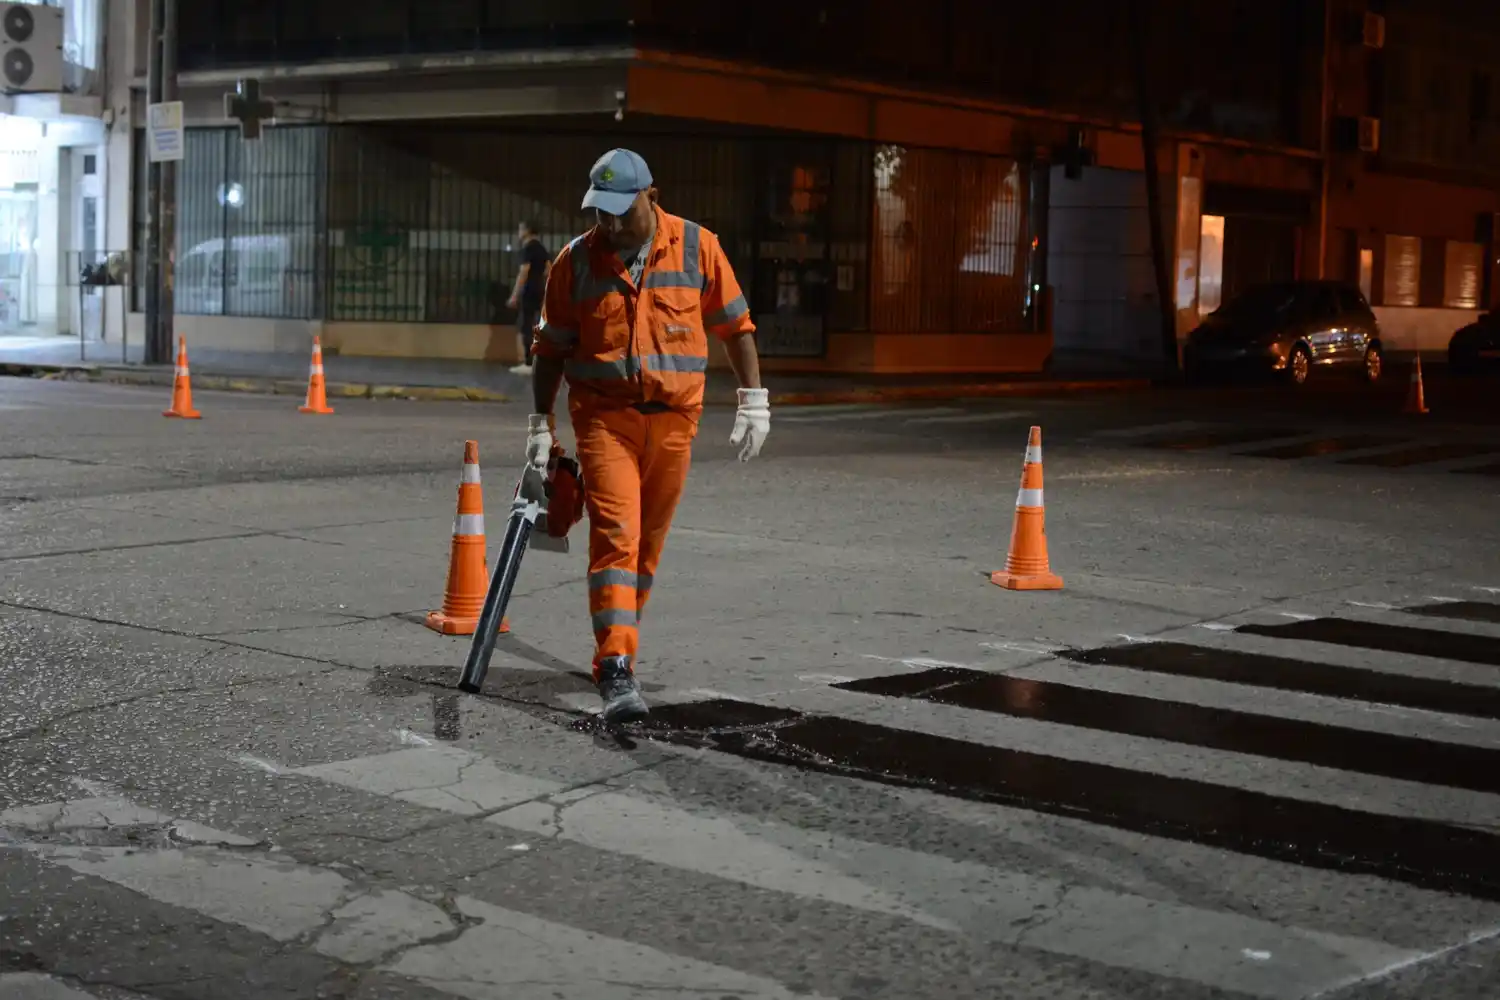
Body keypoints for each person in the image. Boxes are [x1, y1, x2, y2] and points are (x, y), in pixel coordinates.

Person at [526, 148, 771, 723]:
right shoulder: (574, 262)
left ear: (651, 198)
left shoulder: (697, 247)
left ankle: (620, 647)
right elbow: (549, 349)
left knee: (646, 548)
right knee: (617, 537)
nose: (609, 224)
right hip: (605, 419)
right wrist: (541, 424)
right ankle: (615, 666)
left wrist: (753, 399)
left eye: (620, 211)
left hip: (675, 421)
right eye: (600, 212)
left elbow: (735, 326)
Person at [506, 221, 552, 376]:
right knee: (538, 325)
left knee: (526, 326)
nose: (518, 232)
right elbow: (549, 270)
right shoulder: (541, 248)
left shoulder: (527, 248)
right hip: (539, 289)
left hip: (528, 290)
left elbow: (523, 272)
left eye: (520, 229)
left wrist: (515, 295)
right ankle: (538, 361)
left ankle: (528, 362)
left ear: (527, 230)